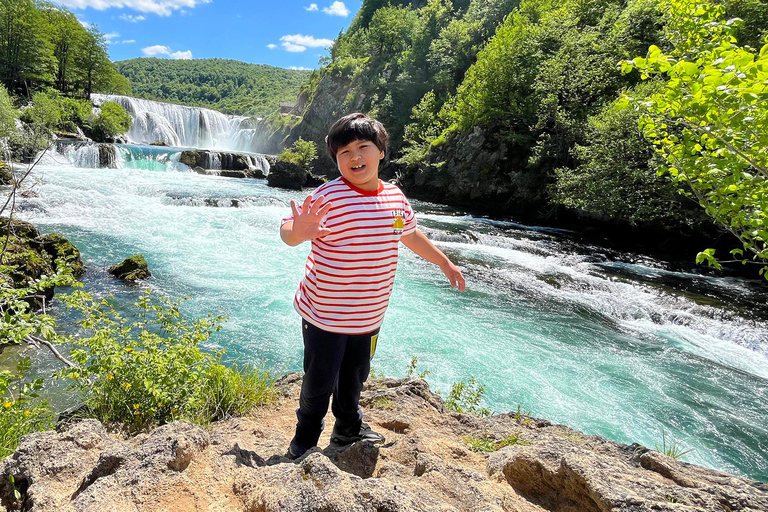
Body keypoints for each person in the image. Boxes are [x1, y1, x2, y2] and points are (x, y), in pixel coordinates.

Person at [280, 113, 465, 459]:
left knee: (355, 376)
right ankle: (305, 437)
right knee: (319, 381)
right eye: (344, 151)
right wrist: (298, 232)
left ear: (381, 152)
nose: (354, 157)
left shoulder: (394, 198)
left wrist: (444, 261)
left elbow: (409, 234)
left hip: (368, 314)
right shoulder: (328, 196)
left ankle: (348, 428)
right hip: (324, 313)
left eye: (363, 147)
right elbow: (291, 229)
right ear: (336, 159)